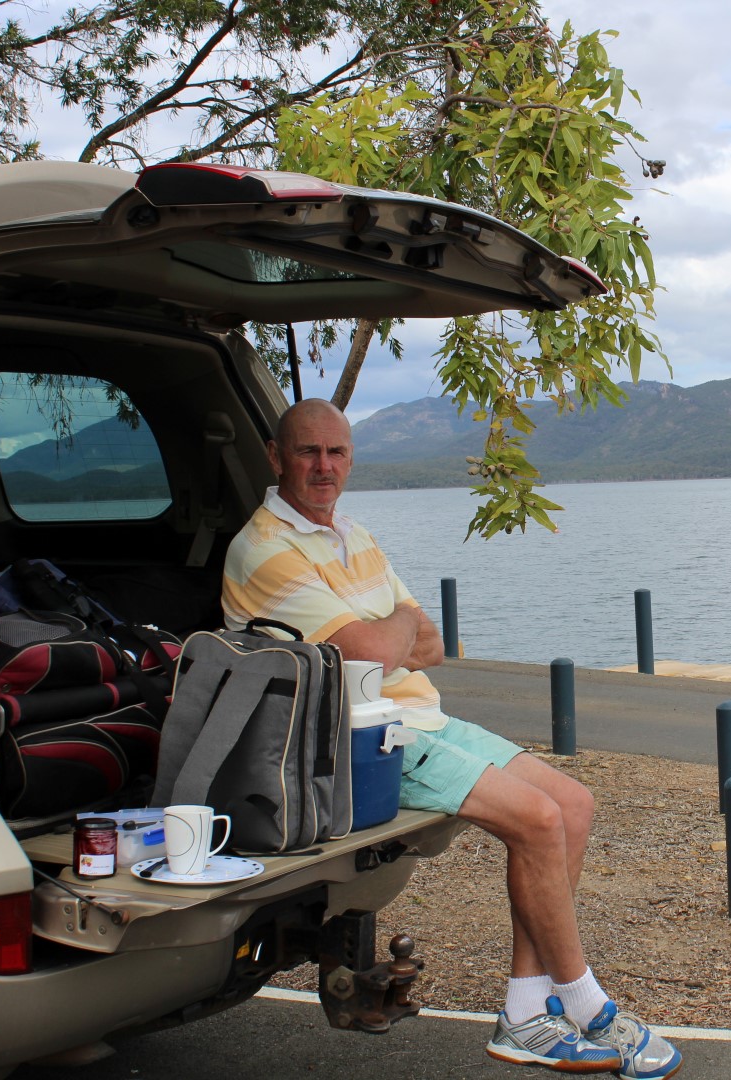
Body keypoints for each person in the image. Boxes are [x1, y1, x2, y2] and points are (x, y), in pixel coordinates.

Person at [223, 399, 682, 1080]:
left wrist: (390, 636)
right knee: (538, 820)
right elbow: (376, 649)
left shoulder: (351, 533)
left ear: (350, 458)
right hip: (358, 738)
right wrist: (393, 632)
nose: (324, 466)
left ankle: (526, 1011)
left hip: (418, 717)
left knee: (572, 805)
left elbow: (429, 645)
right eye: (307, 451)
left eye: (337, 452)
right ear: (275, 456)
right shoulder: (263, 549)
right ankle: (587, 1004)